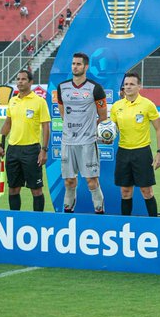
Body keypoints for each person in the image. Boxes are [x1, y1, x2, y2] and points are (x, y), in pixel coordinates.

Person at [57, 53, 108, 214]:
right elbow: (62, 112)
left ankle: (99, 212)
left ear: (86, 67)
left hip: (87, 142)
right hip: (67, 142)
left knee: (91, 181)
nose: (75, 67)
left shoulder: (95, 88)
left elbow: (103, 116)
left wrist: (88, 129)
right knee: (69, 182)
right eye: (73, 64)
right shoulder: (62, 87)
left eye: (79, 64)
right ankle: (67, 213)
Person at [110, 72, 160, 217]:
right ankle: (125, 225)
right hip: (123, 152)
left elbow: (159, 128)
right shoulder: (116, 106)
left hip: (142, 152)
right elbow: (112, 130)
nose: (128, 87)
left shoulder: (148, 104)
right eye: (126, 84)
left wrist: (159, 152)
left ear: (139, 86)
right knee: (125, 191)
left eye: (132, 84)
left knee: (147, 191)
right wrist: (107, 137)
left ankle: (154, 224)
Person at [0, 70, 50, 212]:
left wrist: (44, 150)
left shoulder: (39, 102)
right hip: (13, 150)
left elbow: (45, 126)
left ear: (30, 82)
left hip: (31, 150)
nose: (20, 81)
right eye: (18, 79)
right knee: (13, 189)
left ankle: (38, 222)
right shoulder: (12, 101)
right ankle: (15, 221)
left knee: (36, 190)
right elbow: (8, 123)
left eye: (23, 79)